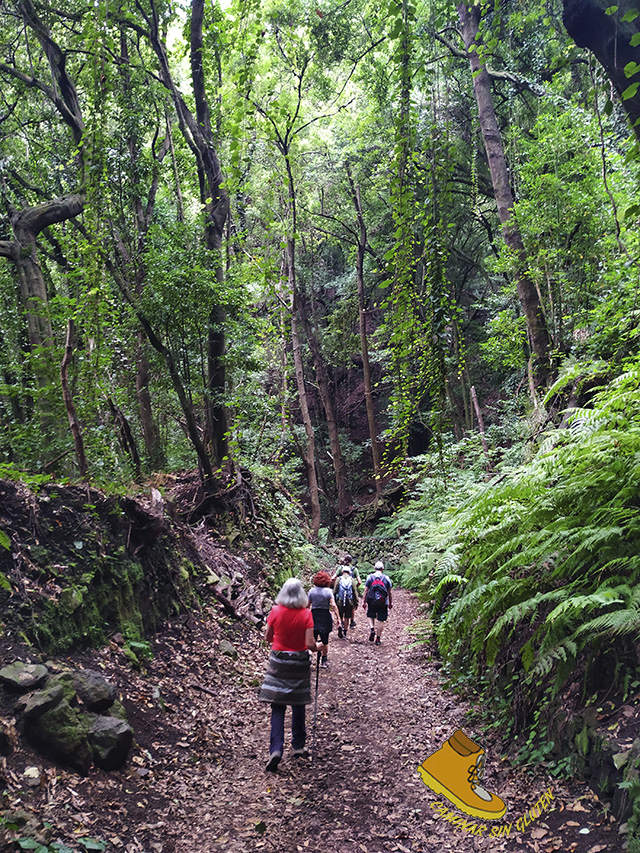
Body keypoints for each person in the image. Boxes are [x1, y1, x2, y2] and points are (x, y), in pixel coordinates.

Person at [259, 577, 323, 772]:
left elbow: (268, 637)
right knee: (298, 701)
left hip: (278, 661)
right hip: (298, 662)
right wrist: (319, 646)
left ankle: (276, 749)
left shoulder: (275, 611)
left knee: (277, 705)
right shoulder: (306, 614)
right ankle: (298, 746)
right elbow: (311, 645)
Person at [308, 571, 340, 667]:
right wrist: (338, 618)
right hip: (325, 616)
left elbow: (307, 605)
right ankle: (324, 660)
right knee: (325, 639)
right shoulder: (328, 592)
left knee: (312, 638)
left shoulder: (311, 591)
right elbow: (333, 605)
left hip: (313, 615)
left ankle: (309, 655)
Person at [362, 560, 393, 645]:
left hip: (371, 601)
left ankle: (372, 628)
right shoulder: (386, 578)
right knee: (381, 619)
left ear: (375, 568)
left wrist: (364, 602)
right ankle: (378, 639)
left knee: (370, 615)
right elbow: (389, 592)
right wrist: (390, 602)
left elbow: (366, 591)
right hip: (383, 602)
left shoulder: (370, 577)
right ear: (383, 569)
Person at [331, 555, 361, 628]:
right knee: (351, 606)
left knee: (340, 609)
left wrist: (336, 587)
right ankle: (352, 622)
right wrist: (354, 587)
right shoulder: (354, 569)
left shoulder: (340, 568)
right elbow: (359, 582)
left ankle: (341, 622)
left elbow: (333, 578)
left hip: (340, 596)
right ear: (351, 561)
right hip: (350, 594)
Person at [333, 565, 359, 638]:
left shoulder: (338, 579)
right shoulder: (352, 580)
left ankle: (341, 625)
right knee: (347, 617)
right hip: (349, 602)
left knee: (340, 615)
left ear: (342, 572)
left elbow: (335, 591)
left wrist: (334, 601)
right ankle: (345, 632)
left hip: (340, 601)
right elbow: (354, 592)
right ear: (349, 572)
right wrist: (356, 602)